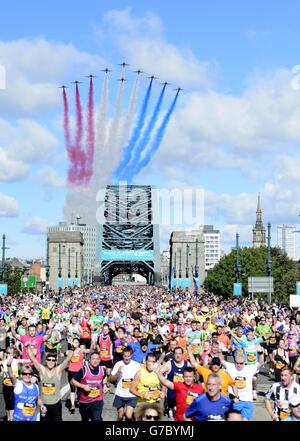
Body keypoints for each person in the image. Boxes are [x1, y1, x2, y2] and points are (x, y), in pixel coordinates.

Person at [27, 343, 73, 421]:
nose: (51, 362)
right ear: (46, 360)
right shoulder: (42, 370)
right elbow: (32, 359)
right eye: (49, 360)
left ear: (55, 361)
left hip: (56, 405)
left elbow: (69, 357)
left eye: (53, 360)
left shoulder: (58, 370)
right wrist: (27, 346)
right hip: (44, 406)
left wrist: (71, 349)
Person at [221, 352, 264, 420]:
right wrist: (220, 351)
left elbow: (261, 363)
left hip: (247, 400)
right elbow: (221, 360)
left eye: (241, 363)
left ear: (244, 362)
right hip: (235, 400)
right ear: (234, 362)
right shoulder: (230, 366)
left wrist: (261, 353)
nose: (239, 365)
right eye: (237, 363)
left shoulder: (249, 368)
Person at [71, 351, 108, 421]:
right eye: (93, 359)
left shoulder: (102, 370)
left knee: (97, 418)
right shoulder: (83, 370)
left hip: (97, 400)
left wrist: (105, 386)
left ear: (100, 360)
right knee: (85, 419)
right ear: (89, 360)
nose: (95, 361)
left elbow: (105, 377)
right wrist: (83, 386)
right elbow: (72, 381)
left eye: (97, 359)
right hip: (85, 401)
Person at [109, 347, 141, 421]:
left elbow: (140, 378)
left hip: (132, 394)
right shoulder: (118, 364)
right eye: (125, 356)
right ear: (122, 356)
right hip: (120, 394)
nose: (126, 358)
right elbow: (111, 379)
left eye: (128, 356)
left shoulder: (136, 365)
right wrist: (118, 373)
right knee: (120, 415)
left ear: (131, 355)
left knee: (128, 416)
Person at [6, 356, 41, 421]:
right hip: (18, 419)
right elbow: (11, 376)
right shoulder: (18, 384)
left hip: (32, 419)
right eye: (25, 374)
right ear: (21, 375)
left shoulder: (36, 386)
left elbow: (38, 399)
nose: (28, 375)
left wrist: (42, 406)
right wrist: (8, 365)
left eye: (30, 374)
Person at [159, 346, 188, 419]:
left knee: (182, 415)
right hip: (172, 394)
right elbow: (159, 373)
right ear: (173, 354)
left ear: (182, 354)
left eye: (179, 354)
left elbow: (194, 376)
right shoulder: (169, 364)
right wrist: (163, 388)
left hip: (183, 394)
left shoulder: (187, 364)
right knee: (174, 415)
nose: (178, 355)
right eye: (176, 354)